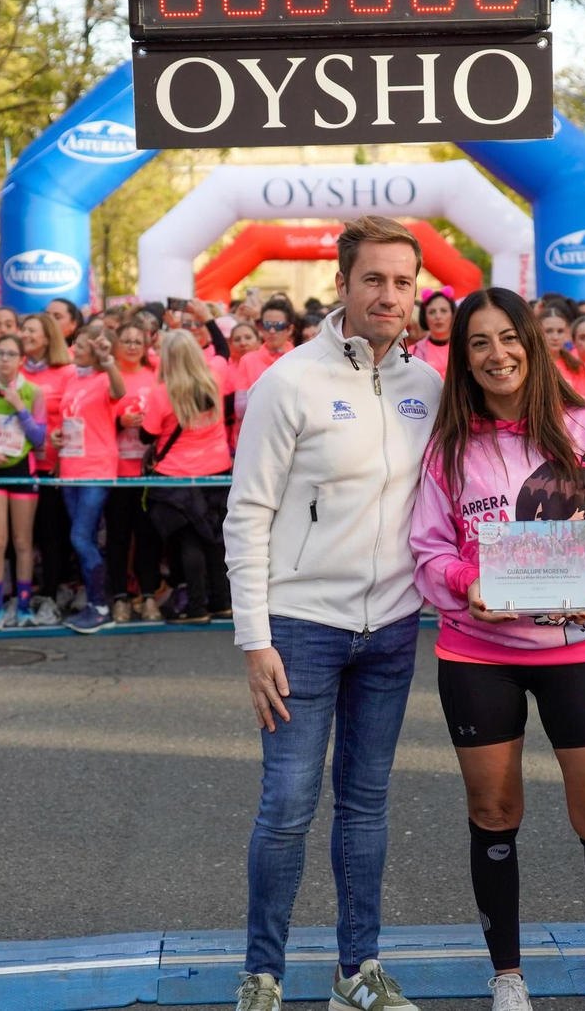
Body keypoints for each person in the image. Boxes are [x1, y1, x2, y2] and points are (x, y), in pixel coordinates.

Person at [225, 215, 442, 1011]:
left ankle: (359, 970)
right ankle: (263, 974)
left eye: (403, 282)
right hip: (299, 629)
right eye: (375, 280)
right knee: (286, 807)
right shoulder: (288, 382)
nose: (390, 295)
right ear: (344, 285)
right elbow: (246, 515)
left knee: (366, 806)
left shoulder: (430, 385)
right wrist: (255, 639)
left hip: (390, 631)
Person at [409, 288, 585, 1011]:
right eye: (478, 342)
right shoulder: (449, 446)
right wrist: (463, 581)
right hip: (478, 652)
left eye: (508, 337)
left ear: (534, 343)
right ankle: (507, 976)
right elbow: (427, 548)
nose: (496, 354)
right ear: (463, 356)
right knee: (493, 810)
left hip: (575, 645)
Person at [142, 329, 233, 623]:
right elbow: (223, 350)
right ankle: (222, 602)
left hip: (178, 478)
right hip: (217, 471)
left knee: (190, 543)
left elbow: (147, 435)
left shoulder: (162, 393)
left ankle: (196, 608)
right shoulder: (214, 378)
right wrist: (207, 319)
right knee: (216, 540)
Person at [0, 333, 48, 630]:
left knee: (22, 541)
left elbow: (39, 438)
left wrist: (20, 408)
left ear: (21, 360)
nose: (4, 359)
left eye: (11, 354)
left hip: (23, 471)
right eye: (0, 353)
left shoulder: (33, 392)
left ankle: (24, 606)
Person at [51, 325, 125, 634]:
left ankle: (100, 607)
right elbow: (72, 420)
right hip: (70, 469)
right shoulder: (72, 378)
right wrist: (57, 437)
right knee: (85, 539)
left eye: (80, 346)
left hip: (97, 469)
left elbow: (120, 392)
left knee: (81, 538)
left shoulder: (104, 377)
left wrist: (109, 361)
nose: (74, 350)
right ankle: (95, 603)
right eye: (74, 345)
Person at [106, 319, 162, 623]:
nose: (131, 346)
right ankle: (120, 598)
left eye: (136, 341)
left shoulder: (154, 375)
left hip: (148, 470)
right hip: (116, 469)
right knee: (117, 537)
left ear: (145, 346)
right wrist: (119, 423)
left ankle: (149, 596)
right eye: (125, 340)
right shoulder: (109, 376)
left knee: (148, 537)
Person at [21, 312, 75, 622]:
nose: (24, 334)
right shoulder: (14, 371)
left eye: (31, 329)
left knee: (53, 534)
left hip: (55, 466)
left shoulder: (67, 373)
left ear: (47, 336)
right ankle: (30, 593)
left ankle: (54, 594)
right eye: (24, 329)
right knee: (27, 537)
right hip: (21, 466)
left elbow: (74, 416)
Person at [234, 298, 300, 421]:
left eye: (278, 326)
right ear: (260, 328)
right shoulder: (247, 360)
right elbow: (240, 410)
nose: (271, 331)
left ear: (290, 329)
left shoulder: (300, 360)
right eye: (266, 325)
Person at [541, 307, 585, 401]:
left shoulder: (576, 367)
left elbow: (580, 402)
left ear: (567, 333)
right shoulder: (528, 366)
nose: (555, 337)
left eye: (560, 331)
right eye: (548, 331)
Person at [412, 287, 455, 377]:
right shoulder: (413, 352)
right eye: (432, 312)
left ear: (453, 313)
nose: (438, 316)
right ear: (424, 317)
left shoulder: (465, 348)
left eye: (444, 311)